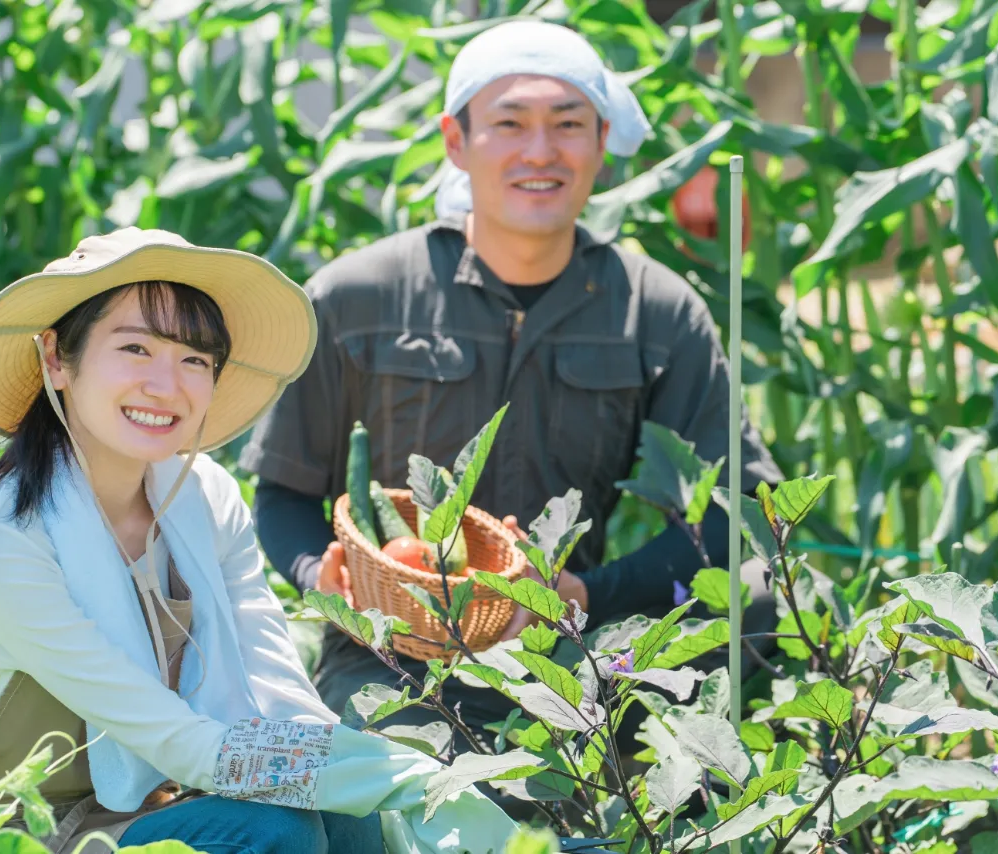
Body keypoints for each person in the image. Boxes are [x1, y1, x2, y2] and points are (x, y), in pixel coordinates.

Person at [239, 20, 784, 759]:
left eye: (567, 126)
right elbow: (281, 493)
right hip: (397, 659)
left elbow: (741, 508)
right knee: (417, 812)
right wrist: (326, 579)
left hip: (570, 651)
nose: (540, 151)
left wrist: (591, 595)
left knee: (752, 598)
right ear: (456, 142)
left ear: (599, 145)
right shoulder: (359, 297)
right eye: (509, 123)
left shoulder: (653, 310)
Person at [0, 227, 521, 854]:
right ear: (56, 359)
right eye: (135, 348)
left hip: (152, 807)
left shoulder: (206, 500)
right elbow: (177, 741)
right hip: (19, 832)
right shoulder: (3, 542)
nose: (167, 385)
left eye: (194, 360)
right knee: (279, 826)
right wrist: (388, 772)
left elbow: (276, 694)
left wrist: (379, 778)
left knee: (350, 813)